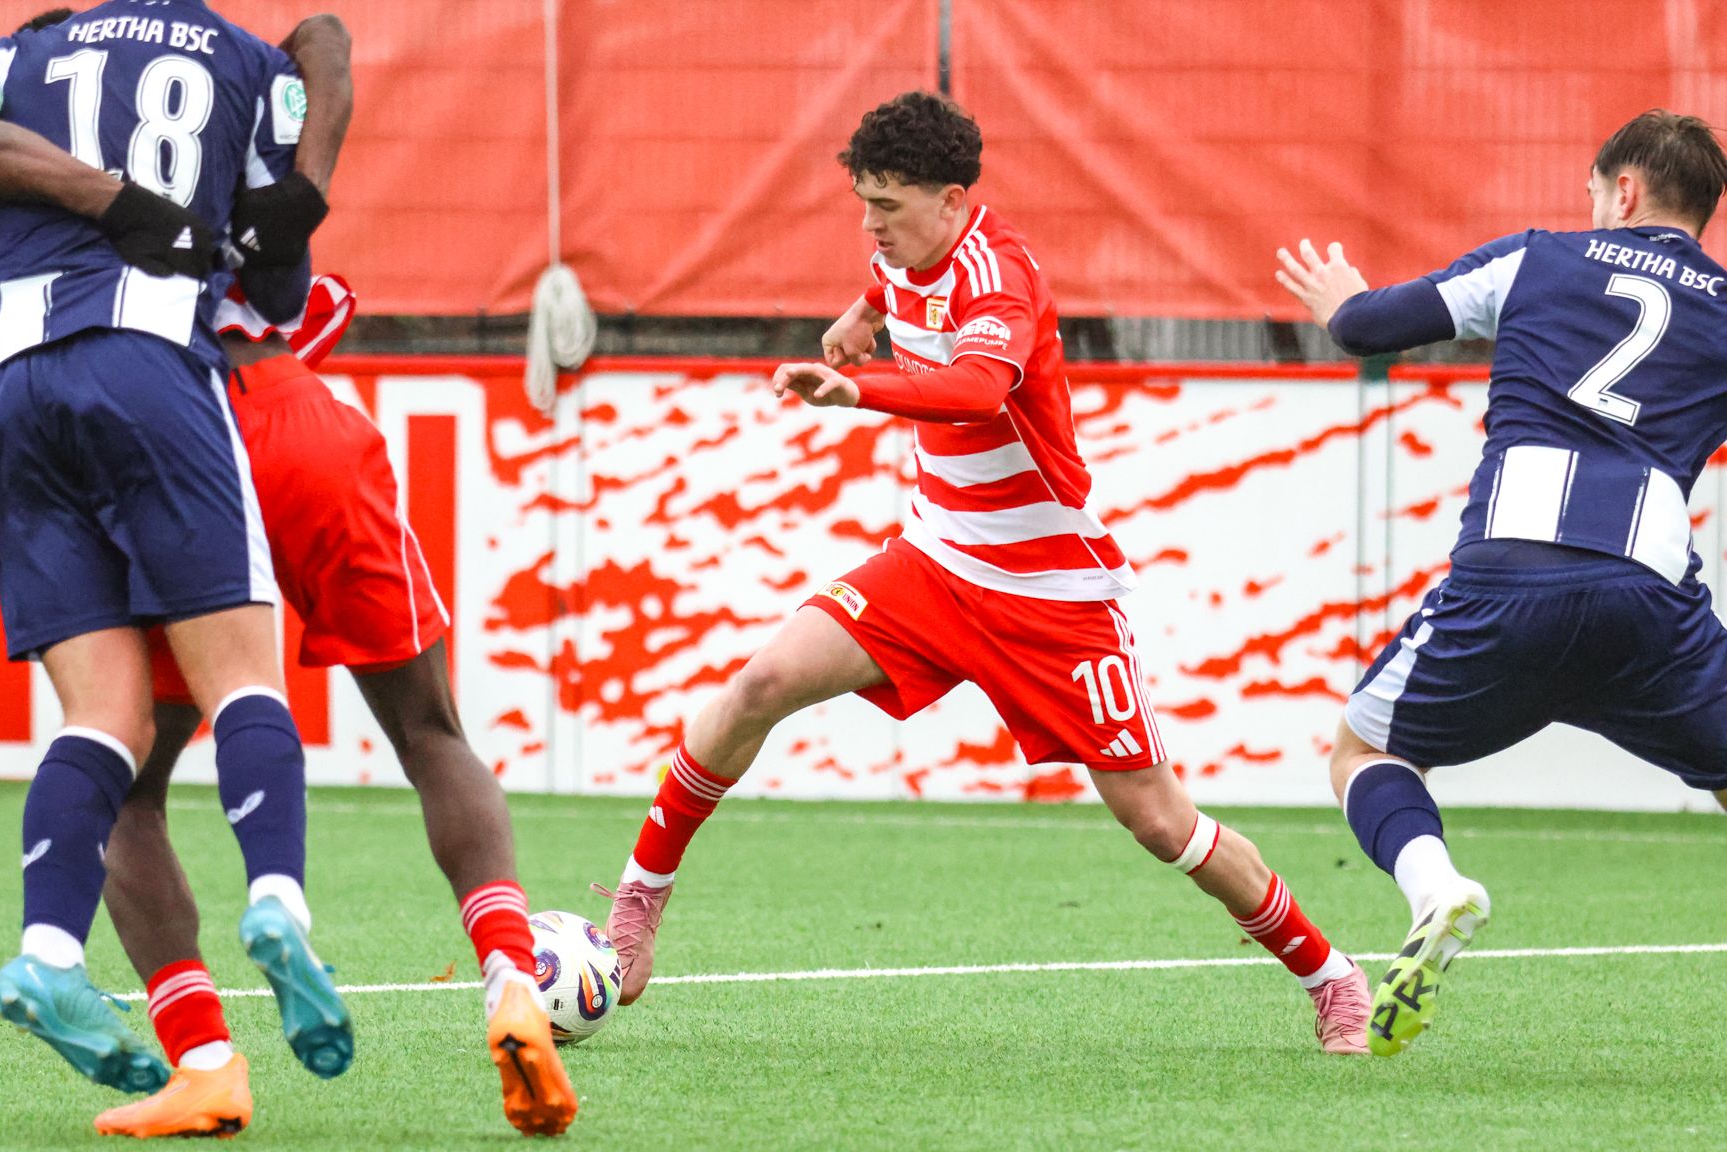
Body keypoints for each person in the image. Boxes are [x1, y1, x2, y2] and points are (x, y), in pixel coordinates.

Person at [0, 22, 577, 1140]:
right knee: (430, 732)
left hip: (118, 407)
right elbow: (326, 60)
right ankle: (511, 980)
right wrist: (302, 182)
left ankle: (205, 1055)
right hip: (276, 411)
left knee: (128, 777)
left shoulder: (20, 111)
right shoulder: (236, 81)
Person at [598, 91, 1373, 1055]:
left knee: (1159, 820)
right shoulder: (902, 251)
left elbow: (973, 390)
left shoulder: (1000, 277)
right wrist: (858, 316)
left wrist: (860, 386)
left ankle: (1330, 975)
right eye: (863, 202)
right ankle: (637, 906)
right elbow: (893, 285)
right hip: (933, 564)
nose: (868, 224)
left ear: (954, 201)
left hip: (1052, 594)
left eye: (887, 205)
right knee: (761, 682)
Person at [0, 0, 348, 1117]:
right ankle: (278, 901)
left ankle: (47, 952)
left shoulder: (20, 55)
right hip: (147, 362)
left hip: (6, 380)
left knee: (105, 721)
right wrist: (285, 203)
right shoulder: (243, 58)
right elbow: (278, 285)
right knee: (241, 679)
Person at [1275, 109, 1727, 1057]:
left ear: (1624, 191)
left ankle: (1436, 889)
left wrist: (1340, 298)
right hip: (1648, 593)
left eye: (1595, 192)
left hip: (1509, 573)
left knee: (1364, 755)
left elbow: (1368, 329)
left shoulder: (1540, 259)